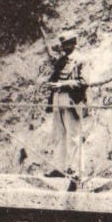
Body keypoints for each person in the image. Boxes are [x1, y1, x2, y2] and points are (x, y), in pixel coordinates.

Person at [42, 27, 87, 178]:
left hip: (71, 99)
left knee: (73, 135)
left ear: (74, 44)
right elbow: (55, 77)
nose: (64, 48)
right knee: (58, 134)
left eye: (67, 44)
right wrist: (51, 84)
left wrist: (63, 85)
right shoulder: (61, 60)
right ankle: (59, 168)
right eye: (63, 44)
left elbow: (84, 81)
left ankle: (75, 170)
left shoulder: (80, 60)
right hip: (57, 99)